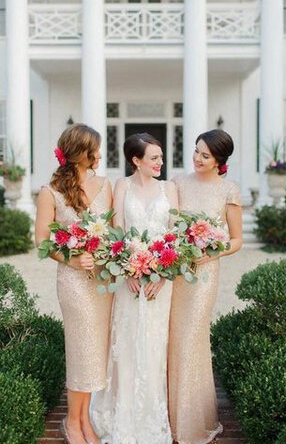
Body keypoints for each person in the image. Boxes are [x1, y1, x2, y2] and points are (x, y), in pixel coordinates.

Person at [91, 133, 178, 444]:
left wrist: (163, 275)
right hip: (128, 280)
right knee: (127, 346)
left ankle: (153, 420)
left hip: (160, 282)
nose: (160, 163)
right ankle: (123, 416)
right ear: (136, 161)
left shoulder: (170, 188)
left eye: (161, 157)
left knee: (154, 347)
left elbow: (175, 235)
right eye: (153, 158)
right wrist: (127, 268)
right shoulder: (122, 186)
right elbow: (116, 232)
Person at [35, 123, 113, 444]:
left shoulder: (107, 185)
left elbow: (113, 232)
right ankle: (72, 421)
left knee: (97, 351)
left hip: (102, 283)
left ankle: (86, 419)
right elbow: (41, 241)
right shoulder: (49, 191)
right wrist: (72, 258)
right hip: (73, 282)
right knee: (80, 349)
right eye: (94, 148)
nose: (99, 154)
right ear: (81, 153)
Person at [168, 129, 243, 444]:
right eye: (196, 151)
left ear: (219, 161)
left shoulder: (228, 190)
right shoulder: (178, 184)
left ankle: (190, 421)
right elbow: (167, 227)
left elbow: (236, 240)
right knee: (170, 338)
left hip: (204, 276)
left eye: (205, 155)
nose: (198, 158)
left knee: (190, 338)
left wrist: (211, 251)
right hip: (175, 271)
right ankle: (166, 417)